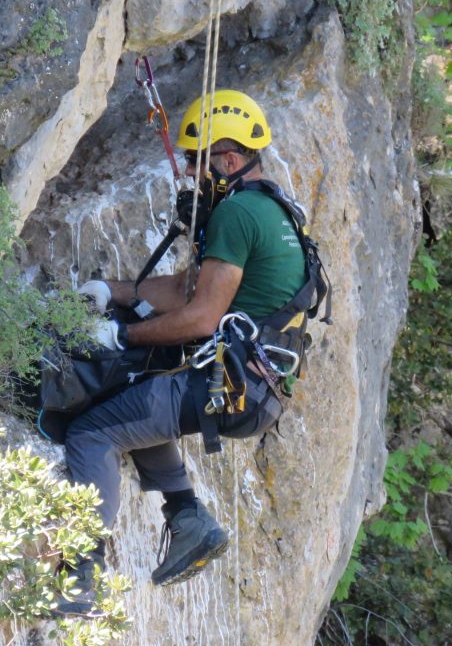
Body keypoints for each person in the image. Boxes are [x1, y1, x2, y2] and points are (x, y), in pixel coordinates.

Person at [58, 89, 310, 612]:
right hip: (252, 385)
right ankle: (189, 515)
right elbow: (187, 291)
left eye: (199, 162)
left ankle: (81, 578)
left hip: (230, 384)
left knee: (92, 432)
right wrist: (115, 290)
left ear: (231, 160)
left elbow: (200, 316)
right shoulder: (272, 209)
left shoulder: (237, 215)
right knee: (131, 402)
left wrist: (119, 335)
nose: (192, 174)